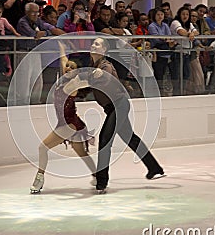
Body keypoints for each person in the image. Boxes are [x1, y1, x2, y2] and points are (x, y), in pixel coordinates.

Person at [88, 37, 165, 194]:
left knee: (104, 141)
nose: (93, 45)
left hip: (119, 106)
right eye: (93, 43)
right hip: (113, 107)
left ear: (104, 50)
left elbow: (107, 74)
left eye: (97, 44)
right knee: (130, 138)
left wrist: (99, 74)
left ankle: (101, 182)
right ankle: (154, 168)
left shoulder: (105, 65)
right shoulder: (93, 66)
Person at [30, 42, 97, 194]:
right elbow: (63, 59)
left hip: (69, 125)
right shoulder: (64, 79)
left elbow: (84, 81)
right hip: (71, 123)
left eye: (72, 68)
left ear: (75, 72)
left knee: (42, 147)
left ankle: (39, 178)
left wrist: (95, 75)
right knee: (81, 153)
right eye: (68, 66)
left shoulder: (73, 84)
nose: (68, 68)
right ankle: (97, 175)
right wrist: (61, 46)